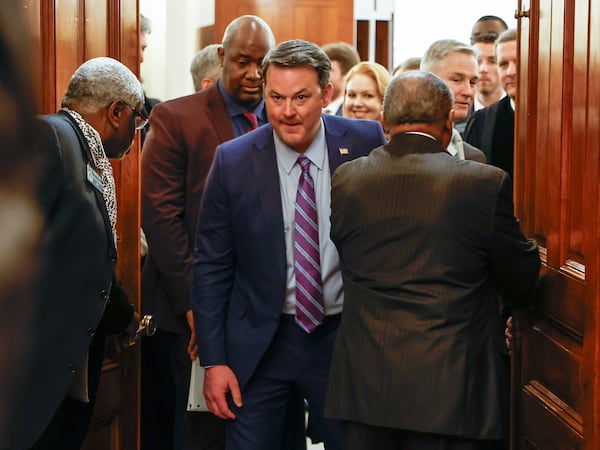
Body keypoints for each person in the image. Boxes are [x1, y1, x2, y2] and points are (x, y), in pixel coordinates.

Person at [325, 70, 541, 450]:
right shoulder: (482, 184)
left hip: (365, 389)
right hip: (452, 392)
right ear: (448, 121)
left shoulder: (348, 181)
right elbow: (519, 276)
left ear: (384, 122)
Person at [192, 39, 387, 450]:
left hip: (343, 338)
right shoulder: (233, 161)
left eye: (301, 97)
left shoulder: (368, 142)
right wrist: (214, 360)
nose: (287, 112)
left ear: (327, 94)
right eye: (276, 97)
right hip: (262, 341)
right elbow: (211, 265)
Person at [141, 15, 281, 450]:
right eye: (242, 61)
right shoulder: (176, 118)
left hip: (264, 312)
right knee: (198, 435)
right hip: (186, 314)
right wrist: (196, 305)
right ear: (221, 57)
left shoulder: (284, 119)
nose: (254, 74)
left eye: (263, 63)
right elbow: (161, 217)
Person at [4, 56, 143, 450]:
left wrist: (124, 318)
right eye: (137, 120)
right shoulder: (51, 138)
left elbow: (88, 255)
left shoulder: (84, 151)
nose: (136, 134)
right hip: (31, 373)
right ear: (117, 112)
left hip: (62, 369)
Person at [420, 39, 486, 161]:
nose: (468, 92)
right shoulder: (396, 150)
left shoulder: (475, 158)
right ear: (426, 82)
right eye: (456, 80)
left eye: (472, 82)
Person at [465, 29, 517, 179]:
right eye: (504, 64)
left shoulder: (556, 119)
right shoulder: (481, 121)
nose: (510, 72)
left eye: (518, 62)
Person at [342, 61, 391, 128]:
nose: (357, 103)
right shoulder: (332, 136)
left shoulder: (395, 137)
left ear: (384, 100)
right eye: (352, 95)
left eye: (368, 96)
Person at [321, 41, 360, 115]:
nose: (322, 75)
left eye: (329, 70)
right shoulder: (314, 111)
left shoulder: (353, 114)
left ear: (347, 75)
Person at [472, 33, 505, 110]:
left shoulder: (518, 112)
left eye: (492, 61)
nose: (483, 69)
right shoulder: (457, 115)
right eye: (478, 61)